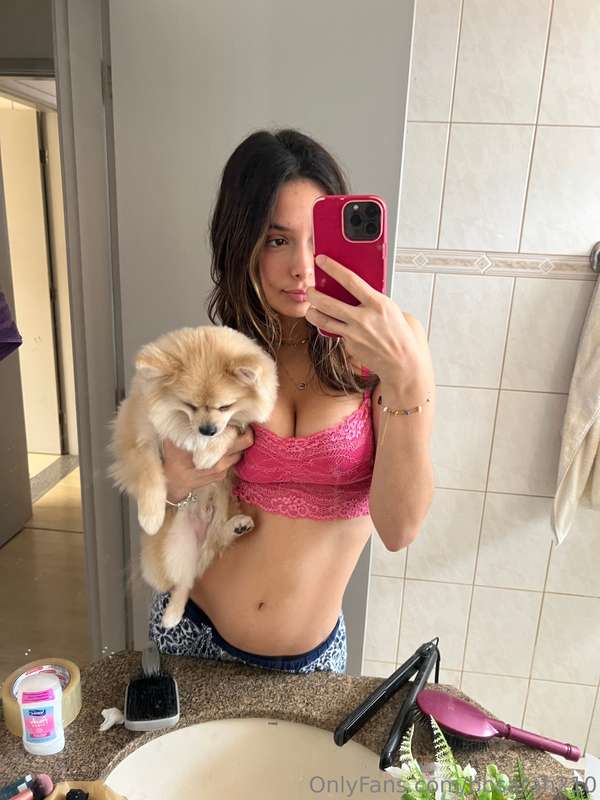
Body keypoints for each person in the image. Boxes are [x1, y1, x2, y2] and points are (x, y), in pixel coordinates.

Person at [149, 128, 435, 673]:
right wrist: (174, 486)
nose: (303, 267)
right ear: (242, 244)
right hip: (188, 631)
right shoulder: (218, 355)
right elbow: (168, 513)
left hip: (309, 662)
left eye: (316, 240)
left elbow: (399, 530)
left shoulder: (393, 351)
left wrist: (407, 379)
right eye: (277, 240)